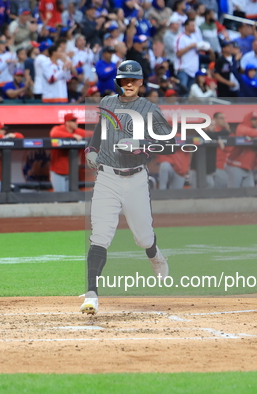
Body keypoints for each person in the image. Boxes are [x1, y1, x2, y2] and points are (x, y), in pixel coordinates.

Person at [80, 60, 175, 314]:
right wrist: (90, 150)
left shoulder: (149, 109)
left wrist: (143, 145)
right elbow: (98, 134)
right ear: (118, 82)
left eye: (134, 80)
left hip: (135, 179)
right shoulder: (107, 104)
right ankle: (91, 294)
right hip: (107, 178)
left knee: (143, 237)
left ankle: (155, 255)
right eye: (124, 80)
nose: (129, 84)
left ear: (142, 82)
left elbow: (170, 142)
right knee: (99, 236)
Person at [226, 111, 257, 188]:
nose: (256, 121)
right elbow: (252, 133)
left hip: (248, 168)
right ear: (248, 120)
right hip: (235, 165)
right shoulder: (241, 127)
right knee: (233, 192)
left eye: (256, 119)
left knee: (250, 192)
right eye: (253, 119)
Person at [49, 113, 85, 192]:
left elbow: (91, 134)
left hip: (72, 172)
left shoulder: (78, 131)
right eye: (74, 121)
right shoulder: (58, 129)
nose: (76, 122)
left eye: (76, 120)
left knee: (72, 199)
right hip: (58, 172)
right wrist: (72, 136)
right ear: (67, 122)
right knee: (61, 198)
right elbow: (53, 134)